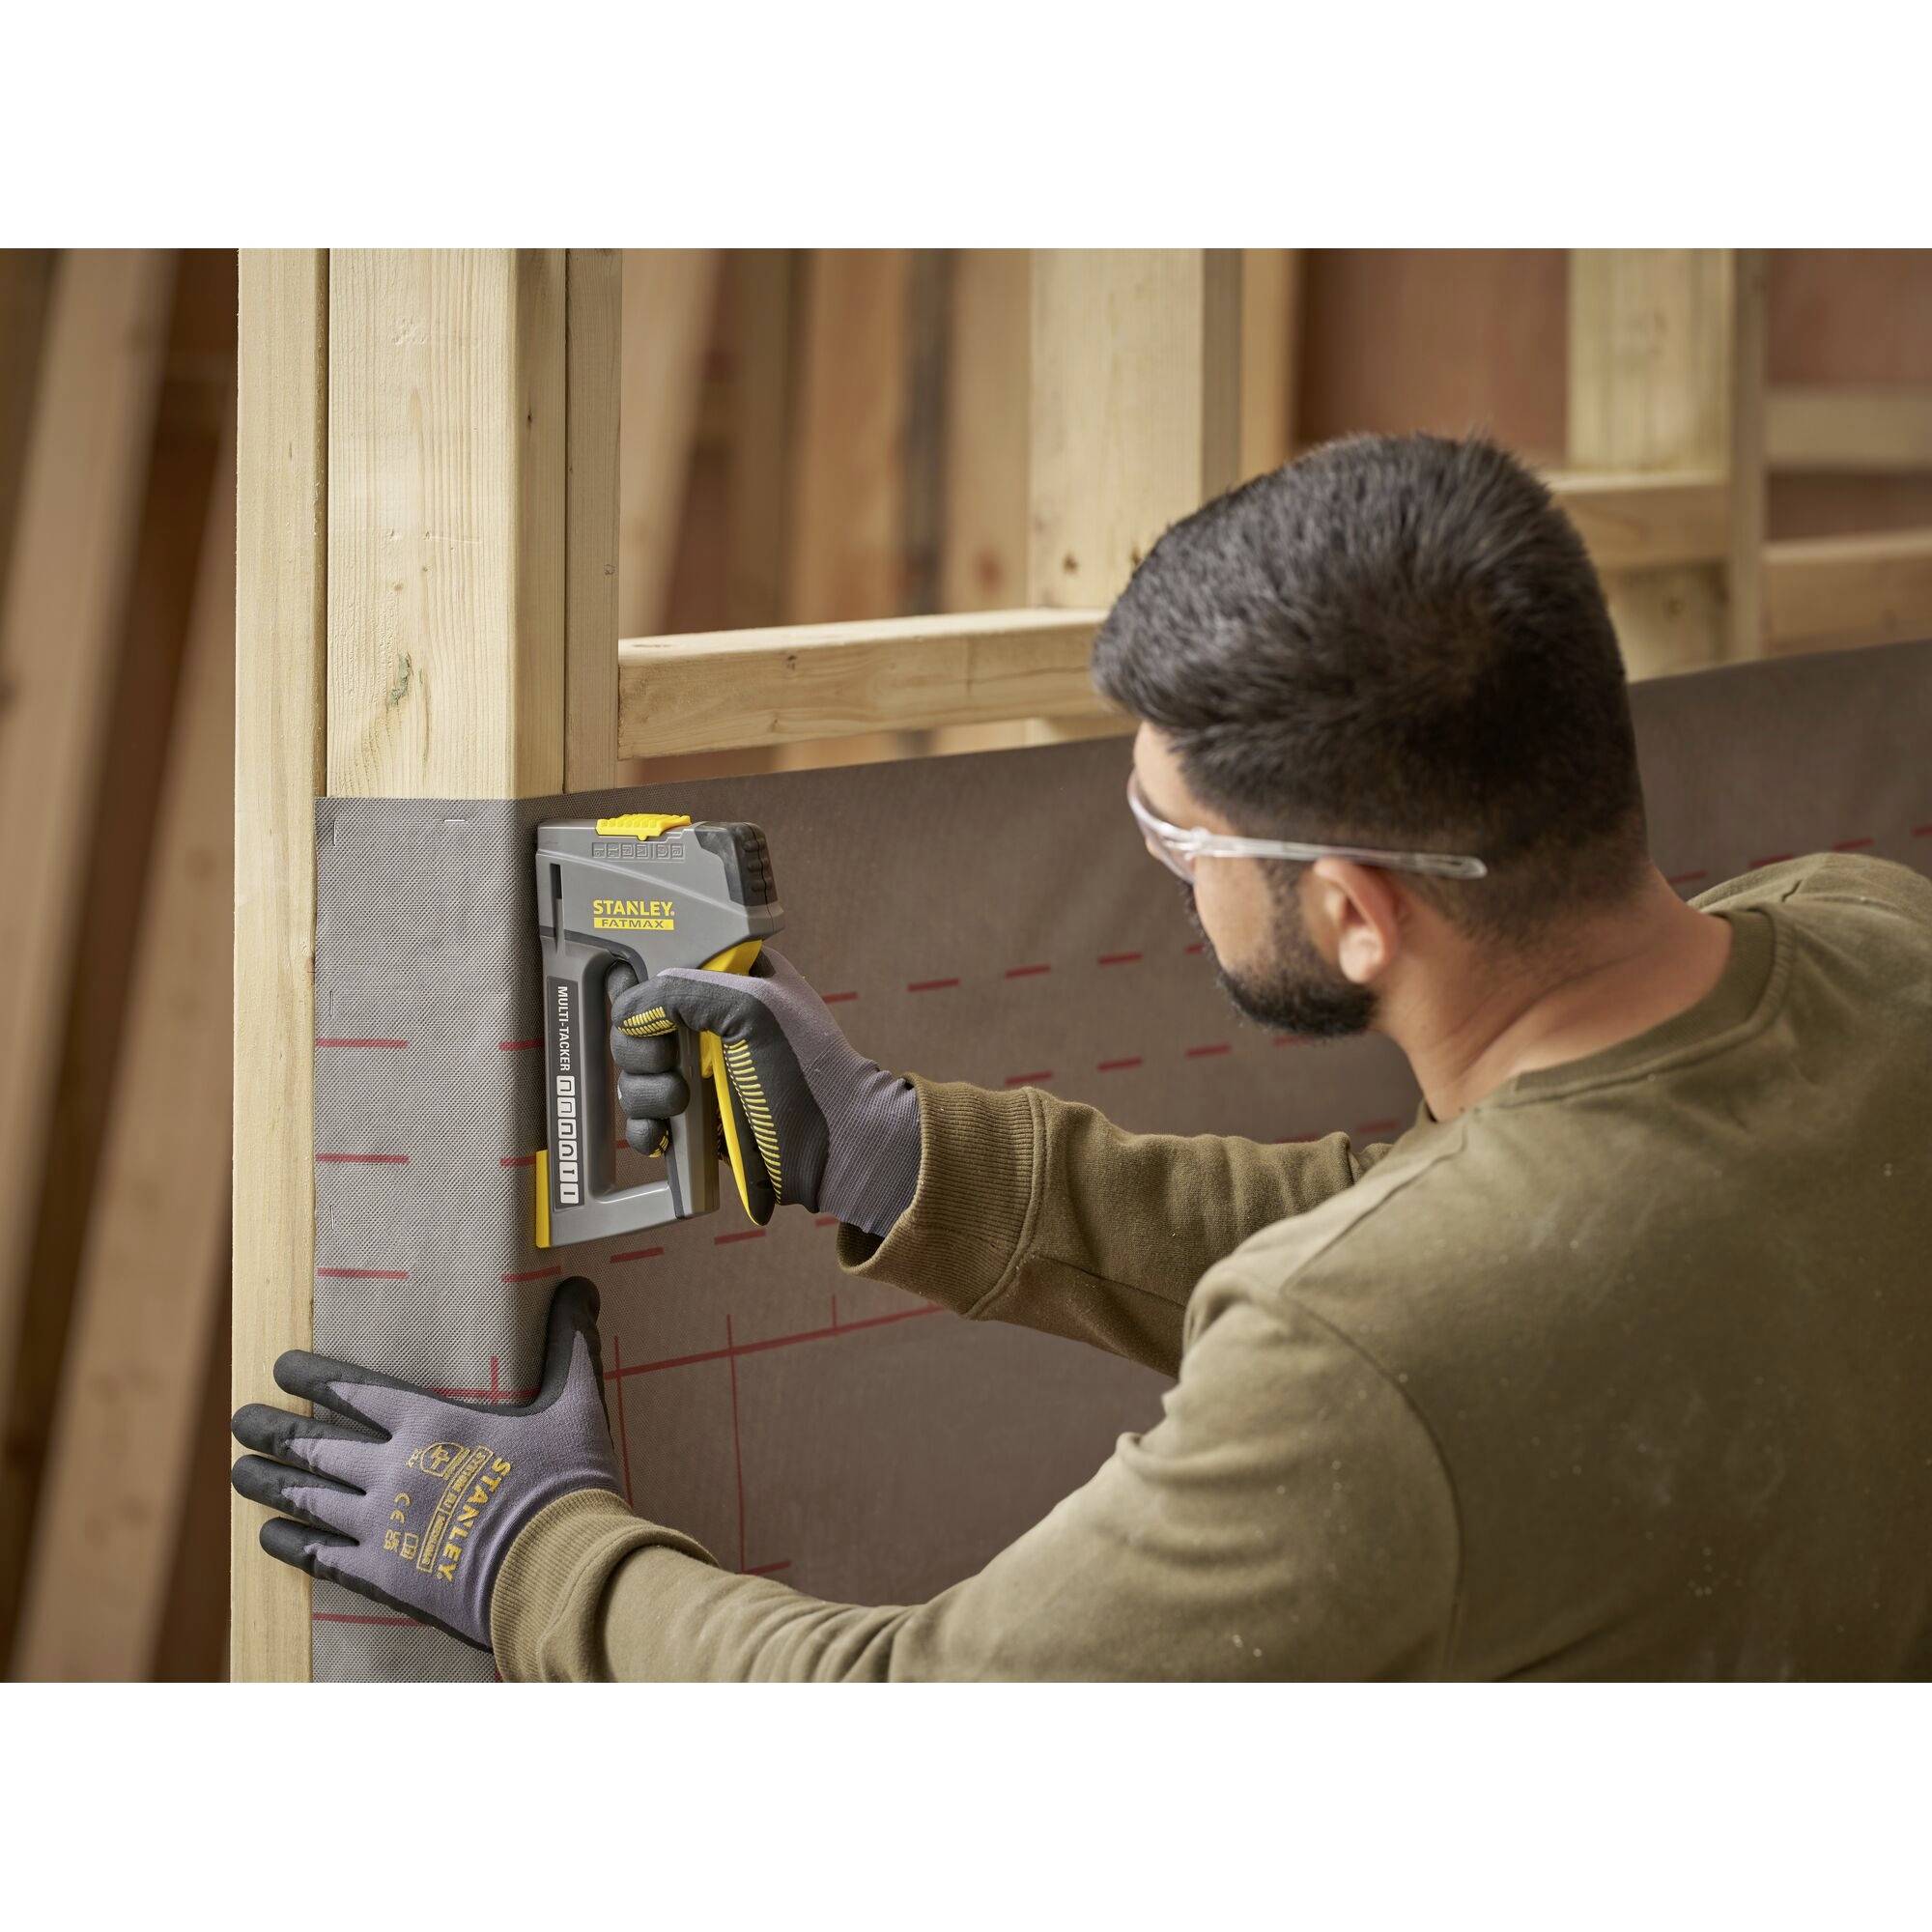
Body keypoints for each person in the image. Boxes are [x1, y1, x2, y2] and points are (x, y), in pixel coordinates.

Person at [233, 433, 1932, 1680]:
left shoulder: (1364, 1363)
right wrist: (903, 1156)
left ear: (1349, 914)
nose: (1164, 871)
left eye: (1176, 836)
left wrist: (533, 1557)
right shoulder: (1870, 941)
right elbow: (1462, 1212)